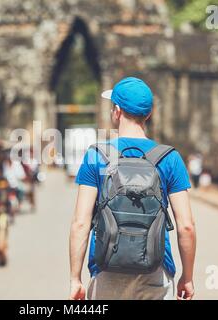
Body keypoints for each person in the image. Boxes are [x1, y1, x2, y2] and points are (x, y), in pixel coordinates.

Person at [69, 77, 196, 300]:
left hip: (106, 270)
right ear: (148, 114)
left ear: (117, 112)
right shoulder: (170, 158)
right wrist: (187, 277)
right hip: (155, 270)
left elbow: (81, 223)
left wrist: (75, 279)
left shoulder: (96, 156)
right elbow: (186, 226)